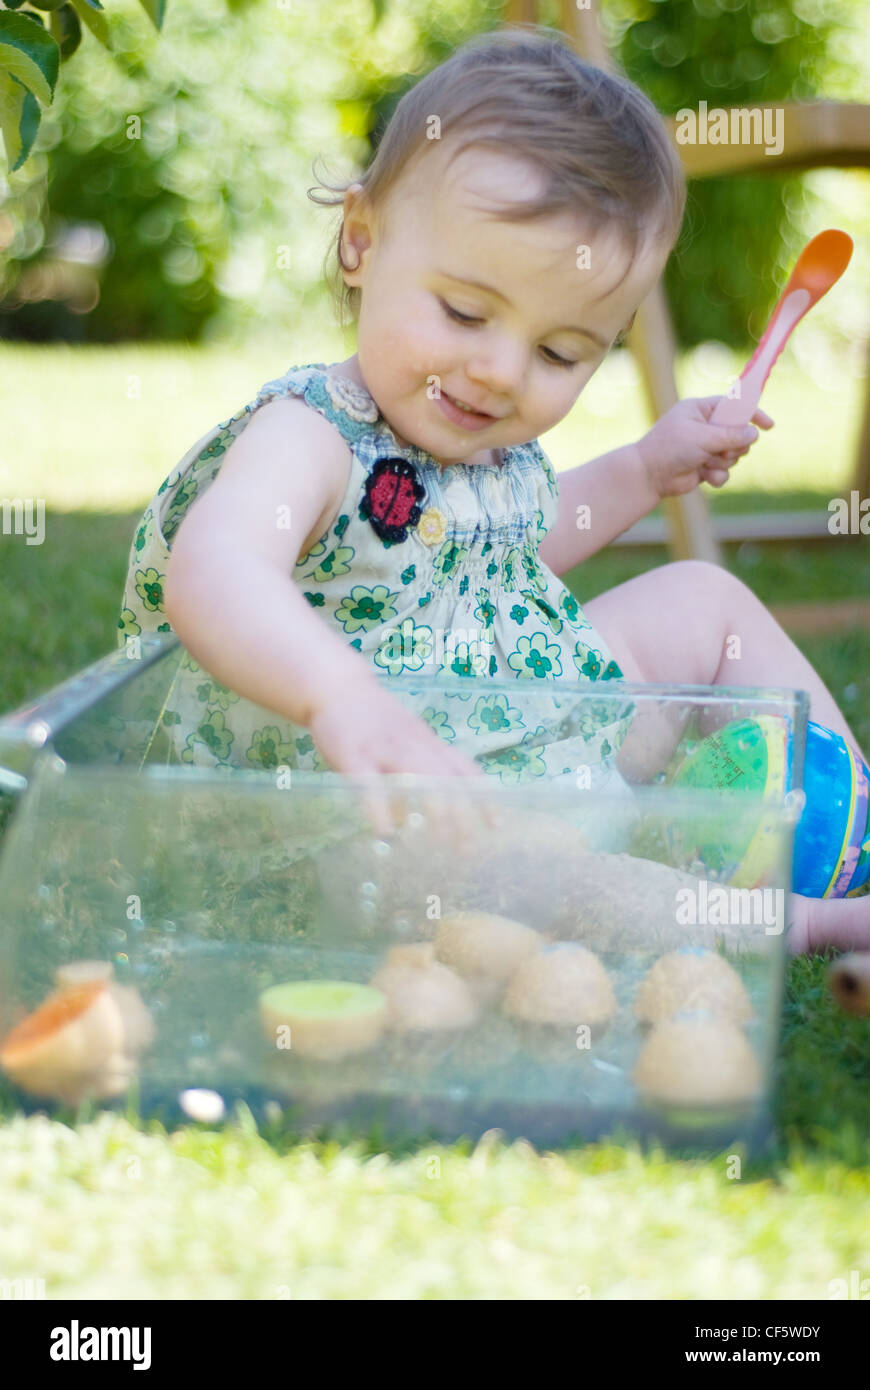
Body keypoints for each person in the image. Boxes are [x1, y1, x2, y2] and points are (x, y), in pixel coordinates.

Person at [118, 26, 868, 955]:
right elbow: (215, 573)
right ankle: (801, 925)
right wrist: (339, 695)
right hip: (361, 823)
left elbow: (505, 562)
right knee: (519, 869)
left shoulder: (487, 447)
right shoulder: (313, 435)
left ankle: (848, 839)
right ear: (361, 241)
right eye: (465, 313)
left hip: (515, 731)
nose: (501, 372)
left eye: (561, 352)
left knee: (701, 600)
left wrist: (645, 468)